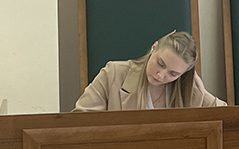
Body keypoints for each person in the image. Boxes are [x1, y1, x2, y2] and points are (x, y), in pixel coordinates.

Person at [74, 30, 225, 111]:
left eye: (173, 74)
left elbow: (225, 115)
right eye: (160, 63)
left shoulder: (191, 87)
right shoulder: (113, 74)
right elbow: (81, 120)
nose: (161, 74)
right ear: (154, 48)